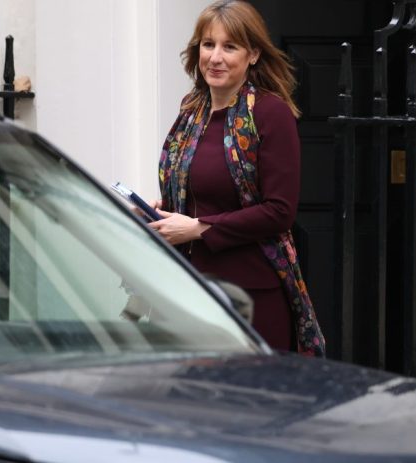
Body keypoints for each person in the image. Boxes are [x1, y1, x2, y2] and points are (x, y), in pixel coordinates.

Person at [150, 0, 325, 356]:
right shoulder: (191, 110)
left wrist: (199, 227)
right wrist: (160, 213)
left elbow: (279, 211)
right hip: (191, 289)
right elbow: (189, 195)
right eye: (208, 44)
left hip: (251, 296)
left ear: (254, 55)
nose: (215, 57)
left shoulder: (270, 113)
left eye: (230, 47)